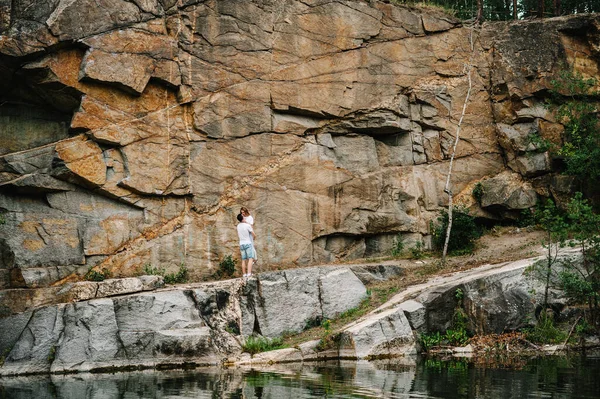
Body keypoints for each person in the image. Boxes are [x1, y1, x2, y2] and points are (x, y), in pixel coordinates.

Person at [236, 213, 256, 278]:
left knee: (243, 259)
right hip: (248, 243)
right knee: (250, 259)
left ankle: (244, 274)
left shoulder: (238, 226)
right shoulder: (247, 226)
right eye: (244, 216)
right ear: (243, 218)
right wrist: (254, 238)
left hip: (241, 244)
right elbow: (254, 234)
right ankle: (249, 273)